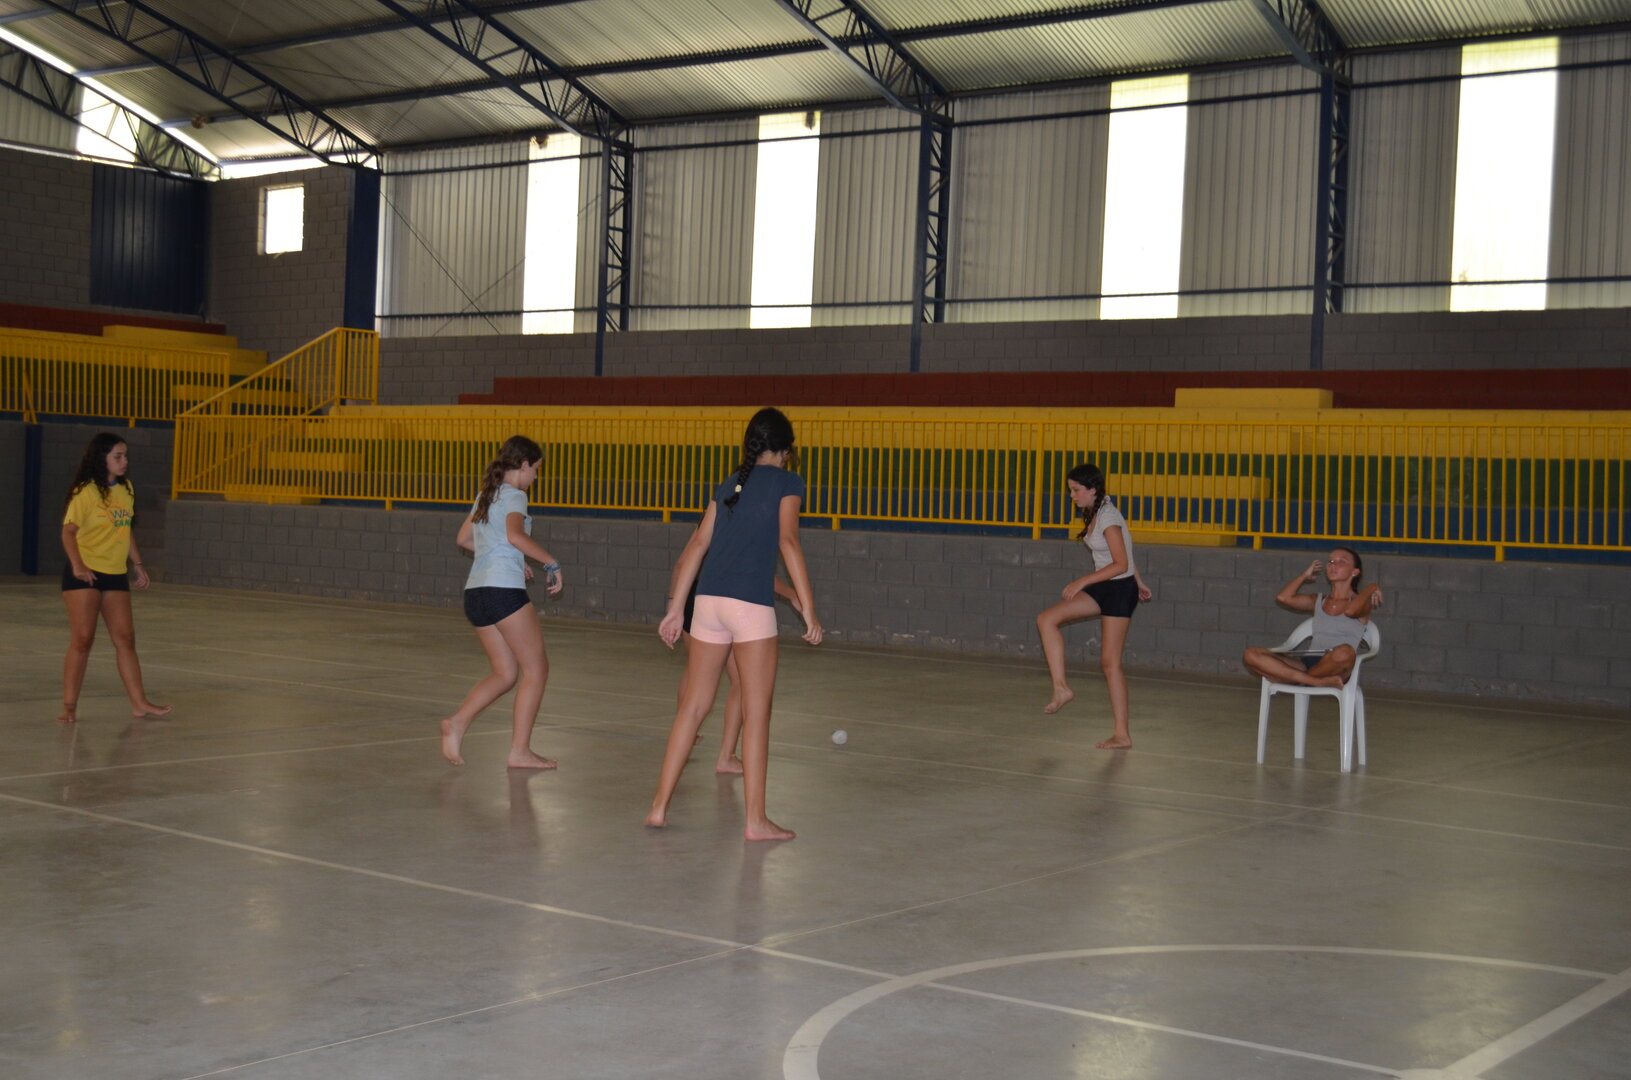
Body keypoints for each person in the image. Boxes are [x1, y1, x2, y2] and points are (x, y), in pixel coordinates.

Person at [647, 407, 821, 841]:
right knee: (757, 715)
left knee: (692, 707)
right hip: (749, 606)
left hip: (707, 601)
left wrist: (676, 609)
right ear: (785, 450)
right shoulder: (788, 482)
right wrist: (809, 609)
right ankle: (755, 821)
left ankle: (658, 807)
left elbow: (697, 544)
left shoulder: (730, 483)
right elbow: (788, 542)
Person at [440, 435, 564, 769]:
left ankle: (457, 723)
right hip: (502, 591)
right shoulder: (515, 495)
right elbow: (514, 535)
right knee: (536, 669)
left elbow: (464, 539)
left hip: (476, 592)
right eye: (535, 470)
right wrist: (550, 562)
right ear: (523, 465)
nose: (535, 477)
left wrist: (510, 557)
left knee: (506, 672)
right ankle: (519, 750)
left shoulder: (487, 494)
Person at [1034, 462, 1153, 749]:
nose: (1072, 496)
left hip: (1118, 589)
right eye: (1070, 490)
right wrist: (1140, 580)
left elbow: (1121, 562)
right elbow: (1125, 550)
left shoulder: (1107, 517)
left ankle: (1122, 734)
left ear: (1093, 489)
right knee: (1046, 619)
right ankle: (1061, 688)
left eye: (1076, 490)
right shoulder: (1096, 510)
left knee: (1110, 663)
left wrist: (1083, 581)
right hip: (1107, 585)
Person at [58, 433, 169, 723]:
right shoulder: (85, 492)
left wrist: (138, 564)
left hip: (115, 573)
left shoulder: (127, 489)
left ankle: (139, 703)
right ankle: (69, 707)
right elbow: (68, 532)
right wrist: (78, 565)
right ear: (102, 459)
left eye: (125, 456)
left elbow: (125, 529)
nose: (124, 461)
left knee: (126, 638)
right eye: (118, 456)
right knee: (83, 639)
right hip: (85, 573)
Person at [669, 561, 802, 775]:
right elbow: (757, 571)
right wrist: (793, 593)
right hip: (730, 599)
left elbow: (682, 563)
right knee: (741, 681)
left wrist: (674, 605)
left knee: (695, 672)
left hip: (698, 597)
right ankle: (726, 757)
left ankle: (685, 734)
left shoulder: (708, 536)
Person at [1242, 547, 1382, 689]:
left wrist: (1372, 587)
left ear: (1355, 572)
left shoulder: (1364, 602)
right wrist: (1304, 576)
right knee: (1251, 654)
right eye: (1331, 561)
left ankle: (1297, 679)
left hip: (1336, 666)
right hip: (1307, 664)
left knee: (1345, 652)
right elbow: (1283, 598)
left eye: (1341, 562)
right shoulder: (1318, 600)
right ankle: (1314, 681)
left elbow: (1350, 611)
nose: (1333, 565)